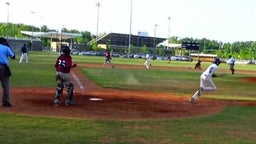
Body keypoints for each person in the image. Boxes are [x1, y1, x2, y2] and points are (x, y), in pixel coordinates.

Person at [0, 37, 16, 107]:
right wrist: (8, 46)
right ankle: (6, 101)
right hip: (3, 67)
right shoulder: (6, 47)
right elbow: (13, 56)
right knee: (5, 85)